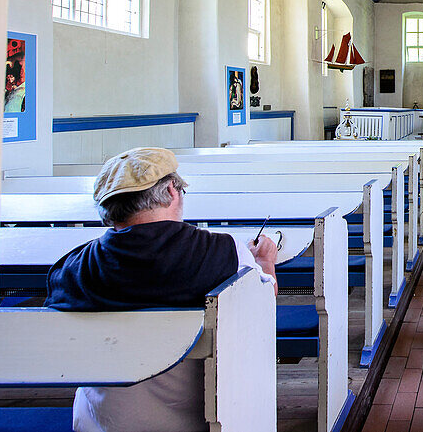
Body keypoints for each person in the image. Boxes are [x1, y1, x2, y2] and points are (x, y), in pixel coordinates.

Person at [45, 147, 278, 432]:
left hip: (103, 420)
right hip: (198, 414)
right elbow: (262, 308)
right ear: (171, 190)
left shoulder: (74, 268)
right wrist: (265, 262)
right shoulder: (222, 251)